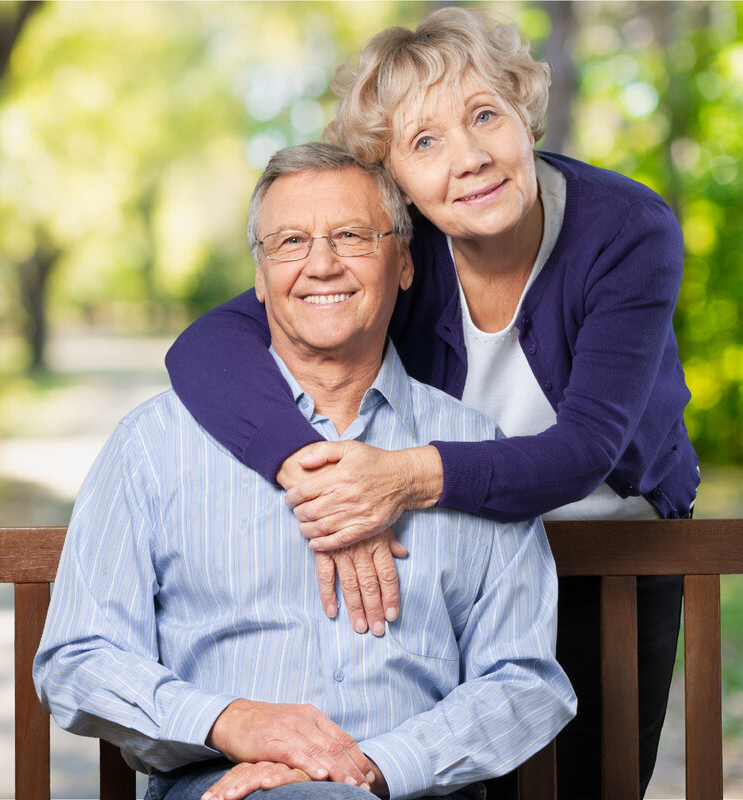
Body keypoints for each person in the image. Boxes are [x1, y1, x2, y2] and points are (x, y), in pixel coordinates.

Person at [164, 8, 696, 798]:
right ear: (394, 182)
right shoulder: (396, 248)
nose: (470, 158)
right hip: (462, 571)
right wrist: (315, 474)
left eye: (486, 115)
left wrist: (399, 478)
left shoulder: (626, 231)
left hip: (609, 561)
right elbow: (204, 346)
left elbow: (586, 448)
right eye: (424, 143)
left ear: (524, 112)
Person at [35, 142, 575, 800]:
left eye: (351, 235)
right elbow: (78, 657)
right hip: (223, 786)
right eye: (291, 241)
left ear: (404, 263)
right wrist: (231, 722)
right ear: (259, 277)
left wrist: (373, 767)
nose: (321, 264)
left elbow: (524, 680)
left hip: (410, 789)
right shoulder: (157, 444)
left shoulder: (471, 448)